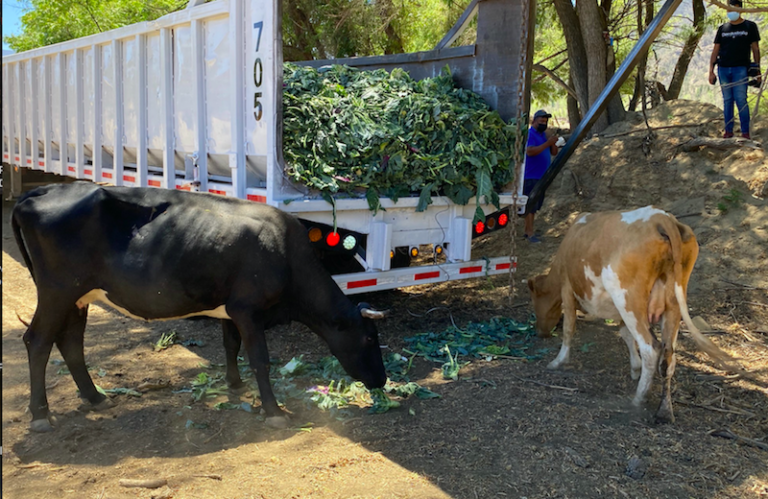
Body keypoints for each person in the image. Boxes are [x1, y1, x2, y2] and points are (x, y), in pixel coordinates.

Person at [708, 0, 761, 139]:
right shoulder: (723, 29)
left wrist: (757, 69)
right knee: (727, 100)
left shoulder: (750, 26)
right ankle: (728, 131)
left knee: (741, 99)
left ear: (740, 9)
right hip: (723, 69)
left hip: (741, 69)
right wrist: (711, 71)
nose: (731, 12)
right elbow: (715, 50)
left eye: (734, 8)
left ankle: (745, 132)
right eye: (728, 9)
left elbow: (755, 49)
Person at [522, 109, 561, 243]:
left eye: (545, 122)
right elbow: (530, 151)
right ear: (534, 121)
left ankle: (529, 230)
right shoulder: (530, 134)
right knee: (530, 205)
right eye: (541, 121)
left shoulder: (544, 135)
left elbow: (554, 152)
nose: (543, 124)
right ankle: (529, 232)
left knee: (536, 206)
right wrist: (547, 144)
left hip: (541, 176)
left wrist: (552, 142)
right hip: (531, 175)